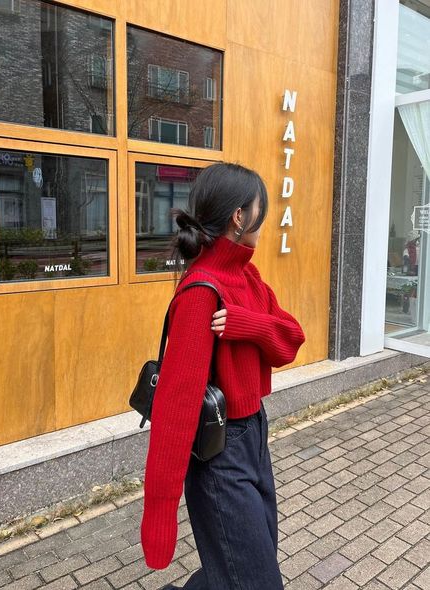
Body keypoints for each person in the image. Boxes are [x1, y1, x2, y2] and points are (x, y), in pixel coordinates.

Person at [140, 162, 306, 589]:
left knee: (244, 566)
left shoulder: (247, 276)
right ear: (239, 216)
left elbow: (290, 338)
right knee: (257, 580)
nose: (262, 221)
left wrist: (246, 324)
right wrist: (160, 514)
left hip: (254, 434)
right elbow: (175, 413)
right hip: (220, 452)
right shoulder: (201, 293)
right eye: (258, 210)